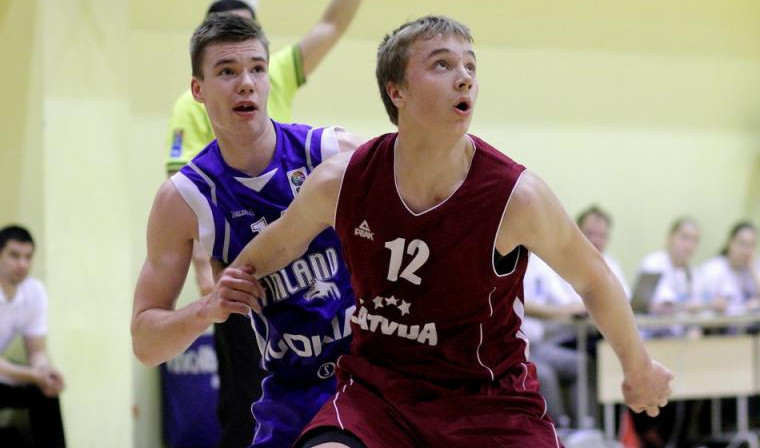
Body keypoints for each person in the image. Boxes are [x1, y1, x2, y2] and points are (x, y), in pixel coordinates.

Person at [232, 15, 673, 448]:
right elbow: (279, 244)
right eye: (442, 64)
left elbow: (593, 278)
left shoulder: (516, 196)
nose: (464, 78)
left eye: (470, 66)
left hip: (487, 404)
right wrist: (225, 287)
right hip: (379, 400)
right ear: (396, 91)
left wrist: (638, 369)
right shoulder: (342, 181)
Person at [131, 14, 363, 448]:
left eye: (257, 68)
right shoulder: (183, 200)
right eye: (227, 71)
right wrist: (208, 309)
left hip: (372, 379)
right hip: (290, 389)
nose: (246, 83)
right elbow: (145, 342)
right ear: (197, 90)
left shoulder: (331, 152)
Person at [522, 205, 628, 427]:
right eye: (591, 233)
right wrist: (564, 310)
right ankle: (560, 431)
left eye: (602, 235)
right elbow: (527, 303)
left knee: (585, 362)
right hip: (525, 343)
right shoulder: (530, 261)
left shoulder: (543, 261)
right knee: (547, 374)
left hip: (547, 342)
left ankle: (589, 429)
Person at [0, 225, 66, 448]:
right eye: (14, 255)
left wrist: (44, 372)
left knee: (45, 390)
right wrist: (33, 375)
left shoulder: (34, 292)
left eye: (28, 257)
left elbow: (36, 351)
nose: (22, 264)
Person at [697, 221, 760, 316]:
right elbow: (703, 308)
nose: (747, 251)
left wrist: (754, 270)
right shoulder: (712, 269)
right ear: (730, 243)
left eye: (752, 245)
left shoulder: (754, 269)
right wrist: (745, 309)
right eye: (742, 244)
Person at [637, 217, 703, 317]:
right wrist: (683, 307)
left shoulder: (693, 274)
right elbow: (640, 305)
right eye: (684, 238)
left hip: (680, 330)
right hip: (652, 329)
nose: (689, 246)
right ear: (670, 238)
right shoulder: (653, 263)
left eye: (694, 240)